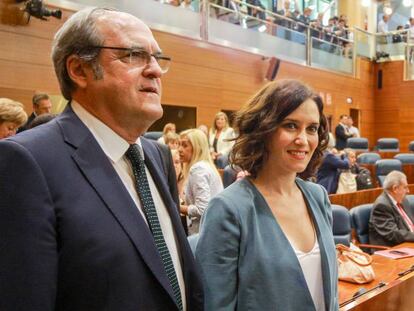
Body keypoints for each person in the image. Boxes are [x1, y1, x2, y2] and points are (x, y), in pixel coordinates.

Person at [0, 7, 203, 311]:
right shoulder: (27, 161)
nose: (155, 71)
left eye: (157, 58)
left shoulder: (157, 155)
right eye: (133, 55)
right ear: (79, 70)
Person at [196, 79, 338, 311]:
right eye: (291, 125)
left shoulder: (318, 196)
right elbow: (215, 304)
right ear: (264, 129)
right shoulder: (228, 208)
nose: (303, 140)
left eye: (311, 128)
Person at [179, 128, 223, 235]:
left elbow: (202, 209)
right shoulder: (206, 166)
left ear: (197, 148)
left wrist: (177, 207)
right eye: (179, 145)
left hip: (203, 234)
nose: (179, 149)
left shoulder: (198, 169)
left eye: (185, 145)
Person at [369, 171, 414, 247]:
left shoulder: (403, 200)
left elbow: (410, 224)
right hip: (391, 249)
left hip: (408, 244)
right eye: (405, 187)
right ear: (395, 188)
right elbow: (394, 234)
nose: (408, 191)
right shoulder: (381, 206)